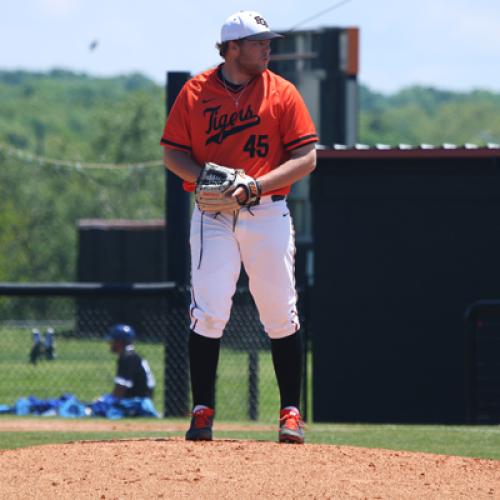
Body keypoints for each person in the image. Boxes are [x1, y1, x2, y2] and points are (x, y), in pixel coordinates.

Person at [160, 10, 318, 444]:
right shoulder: (195, 92)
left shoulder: (281, 93)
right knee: (209, 310)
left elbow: (306, 158)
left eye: (268, 40)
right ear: (232, 48)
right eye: (258, 41)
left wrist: (255, 185)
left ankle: (290, 412)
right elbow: (173, 154)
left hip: (267, 210)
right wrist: (205, 178)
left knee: (279, 311)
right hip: (212, 214)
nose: (268, 47)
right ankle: (202, 409)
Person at [106, 324, 156, 399]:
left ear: (120, 342)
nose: (110, 343)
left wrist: (107, 401)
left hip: (137, 401)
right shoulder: (130, 355)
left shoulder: (128, 358)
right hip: (139, 398)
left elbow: (120, 389)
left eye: (113, 340)